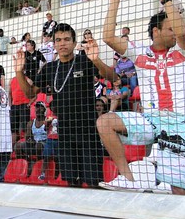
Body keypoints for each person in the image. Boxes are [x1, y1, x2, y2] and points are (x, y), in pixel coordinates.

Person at [98, 0, 185, 194]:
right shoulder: (140, 53)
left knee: (179, 192)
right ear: (155, 32)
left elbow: (182, 33)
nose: (175, 32)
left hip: (179, 123)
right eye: (168, 29)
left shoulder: (182, 51)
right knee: (105, 122)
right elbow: (107, 37)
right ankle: (128, 178)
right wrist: (115, 0)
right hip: (150, 119)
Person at [14, 23, 117, 187]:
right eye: (58, 40)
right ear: (53, 44)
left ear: (75, 43)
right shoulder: (50, 68)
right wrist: (19, 71)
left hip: (88, 131)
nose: (62, 43)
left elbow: (113, 77)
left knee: (93, 183)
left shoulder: (85, 61)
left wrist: (96, 60)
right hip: (64, 133)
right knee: (71, 182)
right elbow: (30, 94)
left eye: (67, 39)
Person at [8, 76, 31, 147]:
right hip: (14, 106)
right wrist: (10, 105)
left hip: (24, 105)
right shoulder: (12, 80)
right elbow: (9, 93)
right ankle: (12, 148)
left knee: (25, 128)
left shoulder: (27, 80)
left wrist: (29, 104)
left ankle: (25, 146)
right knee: (14, 129)